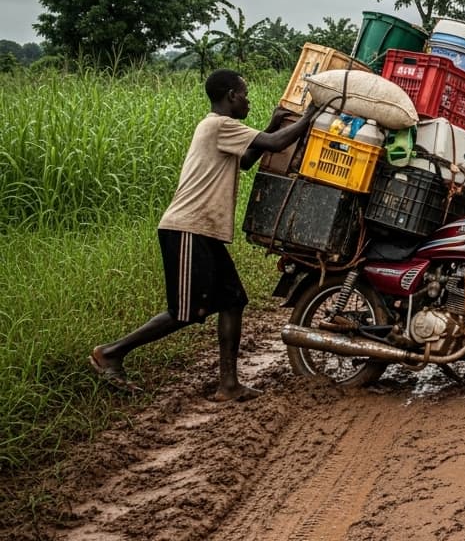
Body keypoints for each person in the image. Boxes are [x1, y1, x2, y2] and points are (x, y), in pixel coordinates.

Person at [90, 70, 316, 401]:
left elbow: (247, 161)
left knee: (233, 301)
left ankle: (229, 385)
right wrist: (312, 113)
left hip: (203, 231)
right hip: (187, 228)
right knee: (187, 312)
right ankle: (110, 353)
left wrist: (270, 124)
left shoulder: (223, 128)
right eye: (245, 93)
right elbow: (278, 144)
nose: (248, 100)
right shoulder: (217, 125)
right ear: (231, 96)